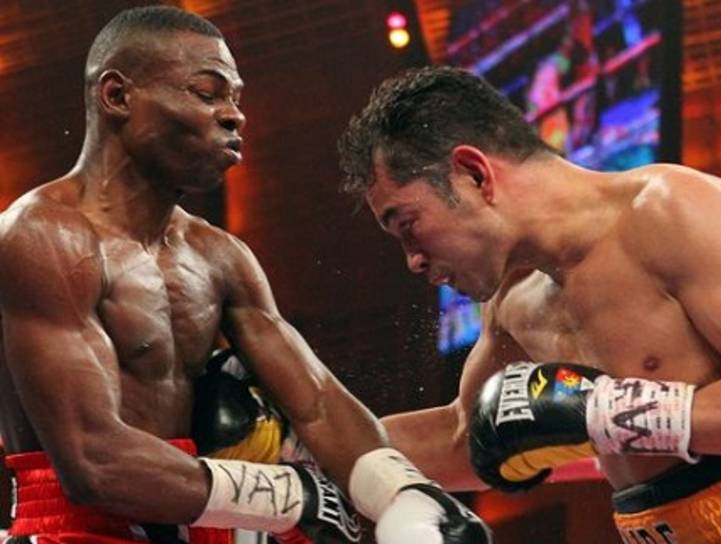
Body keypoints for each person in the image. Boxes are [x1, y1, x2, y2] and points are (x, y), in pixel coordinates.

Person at [0, 8, 492, 544]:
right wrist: (288, 495)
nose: (234, 116)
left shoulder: (219, 256)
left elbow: (317, 403)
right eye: (207, 93)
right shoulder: (42, 237)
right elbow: (91, 461)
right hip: (77, 529)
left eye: (235, 98)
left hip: (203, 517)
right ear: (117, 96)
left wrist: (406, 494)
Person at [337, 65, 721, 543]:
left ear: (474, 174)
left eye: (408, 225)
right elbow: (466, 439)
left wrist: (606, 414)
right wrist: (309, 452)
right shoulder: (514, 300)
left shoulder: (671, 212)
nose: (413, 261)